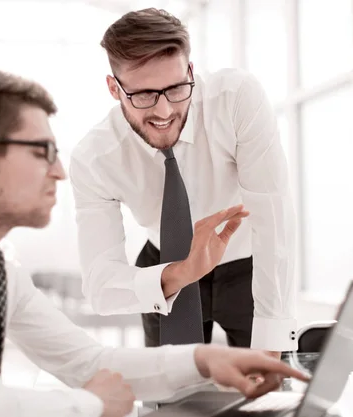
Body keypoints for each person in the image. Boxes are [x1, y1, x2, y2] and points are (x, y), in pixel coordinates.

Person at [0, 70, 308, 417]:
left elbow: (87, 361)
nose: (60, 172)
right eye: (42, 151)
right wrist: (93, 405)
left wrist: (205, 361)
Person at [70, 8, 297, 355]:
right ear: (114, 89)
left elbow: (273, 217)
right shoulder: (95, 158)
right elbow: (101, 286)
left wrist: (272, 338)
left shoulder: (236, 99)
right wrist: (179, 274)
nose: (163, 112)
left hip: (251, 265)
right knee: (174, 401)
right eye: (143, 95)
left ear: (191, 71)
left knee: (269, 394)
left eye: (176, 88)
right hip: (163, 270)